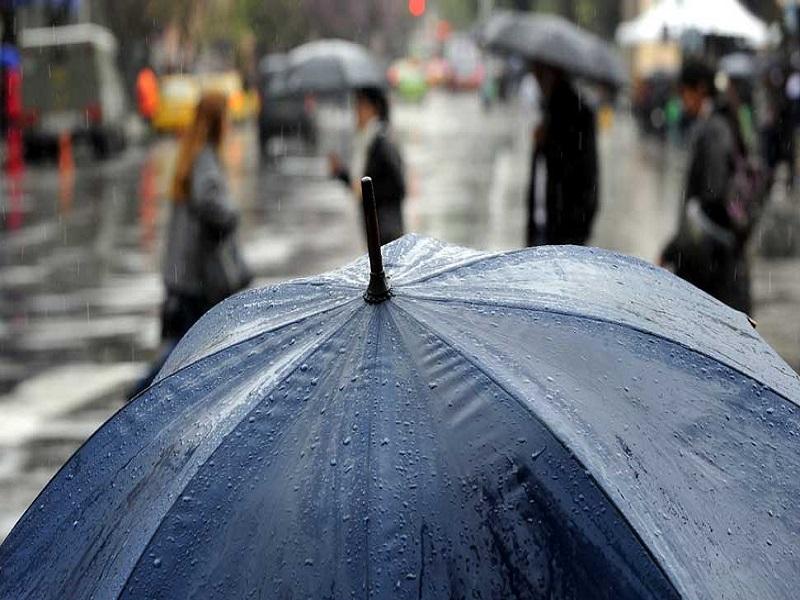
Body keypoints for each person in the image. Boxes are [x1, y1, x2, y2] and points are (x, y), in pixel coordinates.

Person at [127, 92, 250, 400]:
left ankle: (144, 394)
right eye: (226, 119)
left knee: (183, 351)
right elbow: (209, 201)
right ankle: (139, 396)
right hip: (197, 278)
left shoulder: (192, 155)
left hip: (184, 275)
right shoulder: (206, 159)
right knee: (182, 354)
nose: (230, 125)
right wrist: (232, 213)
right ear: (216, 122)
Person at [660, 59, 754, 314]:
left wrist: (676, 249)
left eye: (684, 93)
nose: (682, 101)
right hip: (720, 260)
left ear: (700, 89)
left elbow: (711, 195)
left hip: (713, 265)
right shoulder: (722, 122)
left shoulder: (713, 129)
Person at [526, 62, 598, 247]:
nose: (536, 77)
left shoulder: (579, 114)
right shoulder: (546, 109)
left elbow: (585, 175)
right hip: (541, 224)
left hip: (564, 232)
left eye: (539, 71)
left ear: (552, 73)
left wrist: (577, 232)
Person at [329, 86, 406, 246]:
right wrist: (340, 173)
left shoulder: (382, 142)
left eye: (360, 106)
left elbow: (397, 187)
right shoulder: (366, 141)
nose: (356, 112)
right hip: (374, 227)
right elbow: (363, 184)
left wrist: (370, 193)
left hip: (386, 230)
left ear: (373, 108)